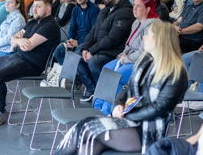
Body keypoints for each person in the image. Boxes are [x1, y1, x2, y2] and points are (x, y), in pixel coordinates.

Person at [55, 22, 189, 155]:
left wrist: (126, 114)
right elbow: (127, 87)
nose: (144, 37)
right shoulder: (146, 60)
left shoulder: (176, 73)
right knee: (90, 141)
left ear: (159, 40)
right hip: (129, 122)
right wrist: (117, 105)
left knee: (88, 128)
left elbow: (159, 108)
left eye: (148, 34)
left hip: (147, 133)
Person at [0, 0, 59, 127]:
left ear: (48, 9)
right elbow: (13, 43)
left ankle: (0, 111)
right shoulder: (32, 22)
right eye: (34, 6)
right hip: (17, 58)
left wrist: (19, 40)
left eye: (38, 6)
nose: (34, 9)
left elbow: (27, 47)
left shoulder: (50, 26)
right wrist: (19, 40)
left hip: (32, 65)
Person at [97, 0, 160, 114]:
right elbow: (128, 44)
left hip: (143, 62)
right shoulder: (136, 22)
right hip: (128, 58)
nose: (134, 8)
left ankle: (109, 111)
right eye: (134, 5)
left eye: (138, 6)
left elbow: (144, 52)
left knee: (116, 75)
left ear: (147, 9)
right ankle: (98, 106)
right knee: (106, 69)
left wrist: (126, 59)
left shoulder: (153, 26)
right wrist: (123, 55)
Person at [78, 0, 135, 102]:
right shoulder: (105, 10)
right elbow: (93, 31)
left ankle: (108, 93)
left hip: (115, 50)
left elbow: (112, 39)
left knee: (94, 62)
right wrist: (85, 48)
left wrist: (92, 51)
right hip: (102, 48)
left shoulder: (125, 12)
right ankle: (94, 88)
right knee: (78, 56)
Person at [52, 0, 100, 69]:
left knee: (77, 52)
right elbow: (72, 28)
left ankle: (79, 75)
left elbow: (94, 32)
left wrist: (78, 42)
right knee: (58, 51)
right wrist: (70, 40)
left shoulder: (95, 10)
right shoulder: (75, 9)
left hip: (88, 41)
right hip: (76, 39)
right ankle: (73, 73)